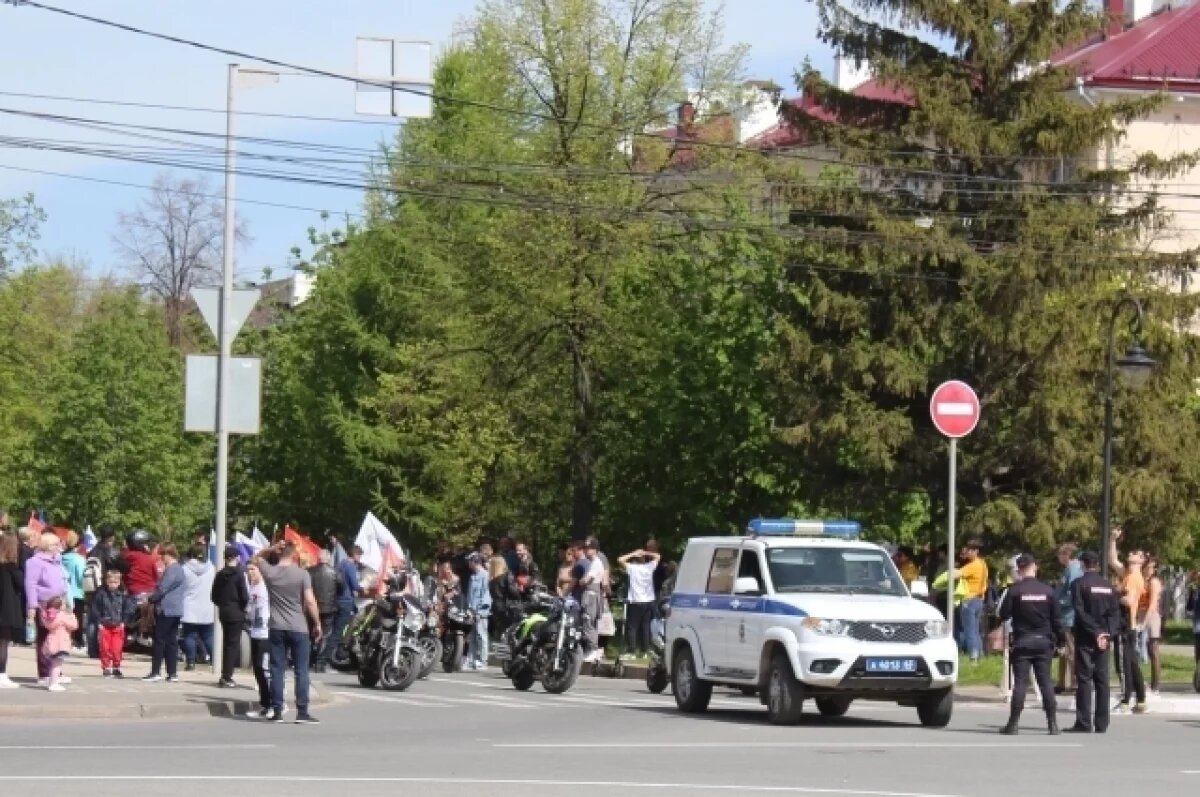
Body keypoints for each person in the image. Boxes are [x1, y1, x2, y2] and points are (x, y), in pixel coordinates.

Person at [254, 541, 323, 724]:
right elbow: (310, 601)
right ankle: (302, 712)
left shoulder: (270, 572)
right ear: (294, 555)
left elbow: (256, 558)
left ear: (279, 553)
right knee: (301, 671)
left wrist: (270, 548)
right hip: (299, 627)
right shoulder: (302, 574)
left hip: (276, 626)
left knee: (277, 669)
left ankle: (277, 711)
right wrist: (317, 623)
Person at [997, 554, 1063, 735]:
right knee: (1045, 682)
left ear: (1019, 570)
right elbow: (1057, 620)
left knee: (1020, 683)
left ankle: (1013, 724)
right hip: (1044, 642)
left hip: (1022, 642)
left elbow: (1003, 614)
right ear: (1035, 567)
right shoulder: (1048, 590)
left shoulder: (1014, 590)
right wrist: (1061, 641)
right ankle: (1052, 724)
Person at [1068, 550, 1121, 733]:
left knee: (1084, 678)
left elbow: (1080, 612)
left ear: (1083, 565)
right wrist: (1107, 634)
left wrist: (1096, 632)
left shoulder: (1078, 584)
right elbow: (1115, 613)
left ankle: (1084, 722)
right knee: (1102, 679)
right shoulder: (1108, 585)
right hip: (1103, 638)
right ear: (1097, 565)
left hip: (1086, 636)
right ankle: (1102, 723)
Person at [1108, 529, 1147, 714]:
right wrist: (1113, 540)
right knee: (1131, 663)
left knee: (1123, 664)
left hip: (1125, 626)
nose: (1131, 554)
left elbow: (1129, 601)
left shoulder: (1133, 578)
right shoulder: (1128, 574)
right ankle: (1141, 699)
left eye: (1135, 553)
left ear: (1141, 560)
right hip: (1128, 626)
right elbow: (1112, 561)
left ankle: (1125, 700)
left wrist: (1113, 593)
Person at [24, 532, 68, 686]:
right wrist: (32, 605)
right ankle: (44, 673)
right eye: (56, 544)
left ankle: (55, 671)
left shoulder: (57, 561)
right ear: (47, 546)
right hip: (43, 603)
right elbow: (30, 584)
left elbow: (62, 581)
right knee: (44, 639)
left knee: (57, 637)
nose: (59, 547)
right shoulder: (35, 562)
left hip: (57, 603)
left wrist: (65, 600)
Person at [143, 543, 185, 683]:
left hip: (167, 609)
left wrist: (151, 599)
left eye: (162, 555)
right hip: (176, 609)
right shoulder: (179, 569)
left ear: (168, 555)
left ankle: (156, 672)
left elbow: (163, 588)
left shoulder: (172, 569)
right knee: (171, 641)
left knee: (159, 640)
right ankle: (172, 673)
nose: (161, 558)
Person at [211, 545, 249, 688]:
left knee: (226, 643)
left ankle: (225, 674)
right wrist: (243, 608)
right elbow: (244, 595)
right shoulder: (239, 574)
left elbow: (213, 596)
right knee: (232, 645)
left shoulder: (219, 574)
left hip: (223, 611)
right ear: (236, 558)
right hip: (236, 611)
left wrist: (222, 603)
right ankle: (227, 676)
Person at [89, 569, 135, 678]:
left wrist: (124, 621)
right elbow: (95, 608)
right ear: (107, 581)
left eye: (115, 582)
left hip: (118, 625)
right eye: (110, 582)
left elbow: (128, 608)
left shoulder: (123, 594)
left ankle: (116, 667)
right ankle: (106, 667)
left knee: (117, 648)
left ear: (119, 582)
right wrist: (99, 621)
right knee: (105, 648)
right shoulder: (101, 594)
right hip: (105, 624)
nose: (113, 584)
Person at [618, 546, 661, 659]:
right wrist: (645, 552)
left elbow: (620, 559)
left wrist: (633, 553)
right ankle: (645, 651)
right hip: (648, 601)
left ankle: (632, 651)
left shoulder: (632, 568)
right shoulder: (649, 567)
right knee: (645, 627)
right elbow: (658, 556)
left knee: (632, 627)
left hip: (636, 601)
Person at [245, 561, 274, 719]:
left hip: (265, 633)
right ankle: (265, 704)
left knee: (264, 669)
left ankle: (275, 704)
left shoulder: (266, 587)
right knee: (257, 669)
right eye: (248, 570)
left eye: (253, 569)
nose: (250, 572)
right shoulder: (252, 587)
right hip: (254, 632)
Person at [180, 544, 216, 671]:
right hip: (208, 606)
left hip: (189, 606)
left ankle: (190, 662)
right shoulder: (212, 568)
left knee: (190, 636)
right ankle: (215, 660)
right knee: (208, 636)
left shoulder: (184, 569)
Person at [1054, 543, 1083, 694]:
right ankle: (1062, 682)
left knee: (1071, 650)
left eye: (1060, 554)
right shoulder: (1068, 569)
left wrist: (1058, 603)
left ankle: (1072, 682)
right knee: (1064, 650)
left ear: (1067, 555)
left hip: (1069, 616)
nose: (1058, 557)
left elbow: (1072, 594)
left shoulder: (1074, 570)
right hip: (1064, 616)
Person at [953, 541, 988, 663]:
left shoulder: (973, 565)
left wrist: (952, 567)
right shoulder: (983, 563)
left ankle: (973, 658)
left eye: (968, 550)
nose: (966, 553)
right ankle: (980, 656)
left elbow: (955, 575)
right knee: (976, 630)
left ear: (975, 551)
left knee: (969, 631)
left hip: (969, 600)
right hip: (979, 599)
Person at [307, 550, 339, 673]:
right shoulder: (335, 572)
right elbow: (342, 587)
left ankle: (309, 660)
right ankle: (320, 663)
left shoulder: (309, 571)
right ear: (328, 559)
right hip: (328, 608)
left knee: (310, 633)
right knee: (325, 635)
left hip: (312, 607)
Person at [331, 544, 362, 664]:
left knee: (335, 628)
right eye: (359, 555)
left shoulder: (340, 564)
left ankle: (329, 655)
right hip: (346, 600)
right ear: (355, 554)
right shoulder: (351, 566)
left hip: (337, 599)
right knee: (341, 630)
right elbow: (355, 585)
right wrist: (362, 588)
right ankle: (329, 658)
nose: (360, 558)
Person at [40, 595, 77, 692]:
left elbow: (48, 626)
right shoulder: (62, 616)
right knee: (57, 665)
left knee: (53, 664)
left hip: (51, 642)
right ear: (60, 607)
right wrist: (72, 616)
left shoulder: (48, 616)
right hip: (60, 644)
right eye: (63, 604)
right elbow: (74, 626)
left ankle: (52, 681)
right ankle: (53, 684)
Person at [0, 534, 22, 688]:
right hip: (5, 609)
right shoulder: (11, 568)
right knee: (3, 643)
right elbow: (21, 584)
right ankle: (1, 674)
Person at [465, 553, 491, 670]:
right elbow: (470, 595)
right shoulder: (472, 576)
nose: (468, 563)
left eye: (470, 561)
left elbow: (486, 594)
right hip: (472, 611)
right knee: (473, 636)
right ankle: (471, 660)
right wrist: (469, 609)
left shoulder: (485, 575)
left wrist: (480, 611)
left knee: (482, 635)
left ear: (475, 562)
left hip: (481, 611)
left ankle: (483, 661)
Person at [1142, 556, 1164, 697]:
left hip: (1152, 617)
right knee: (1145, 650)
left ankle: (1156, 685)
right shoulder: (1143, 580)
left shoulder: (1154, 582)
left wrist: (1145, 622)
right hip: (1142, 615)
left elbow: (1153, 604)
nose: (1150, 570)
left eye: (1153, 567)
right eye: (1149, 567)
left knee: (1153, 650)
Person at [61, 531, 87, 651]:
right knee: (77, 618)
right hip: (77, 592)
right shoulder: (79, 560)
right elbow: (82, 577)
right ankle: (78, 641)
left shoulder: (61, 558)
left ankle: (66, 639)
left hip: (63, 592)